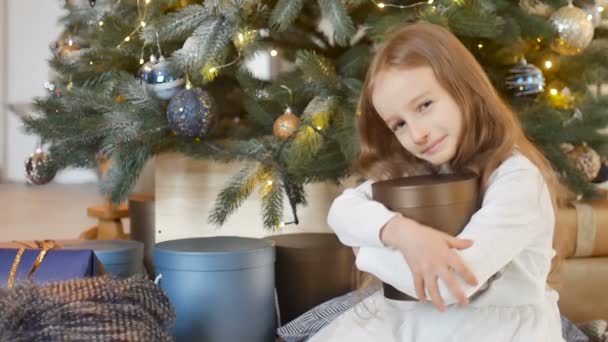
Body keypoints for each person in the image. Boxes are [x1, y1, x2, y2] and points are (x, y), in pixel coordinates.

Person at [313, 22, 565, 342]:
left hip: (498, 329)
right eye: (399, 124)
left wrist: (366, 248)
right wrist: (404, 234)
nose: (417, 134)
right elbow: (343, 210)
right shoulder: (424, 170)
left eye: (425, 106)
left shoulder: (517, 178)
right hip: (427, 318)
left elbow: (450, 283)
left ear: (464, 88)